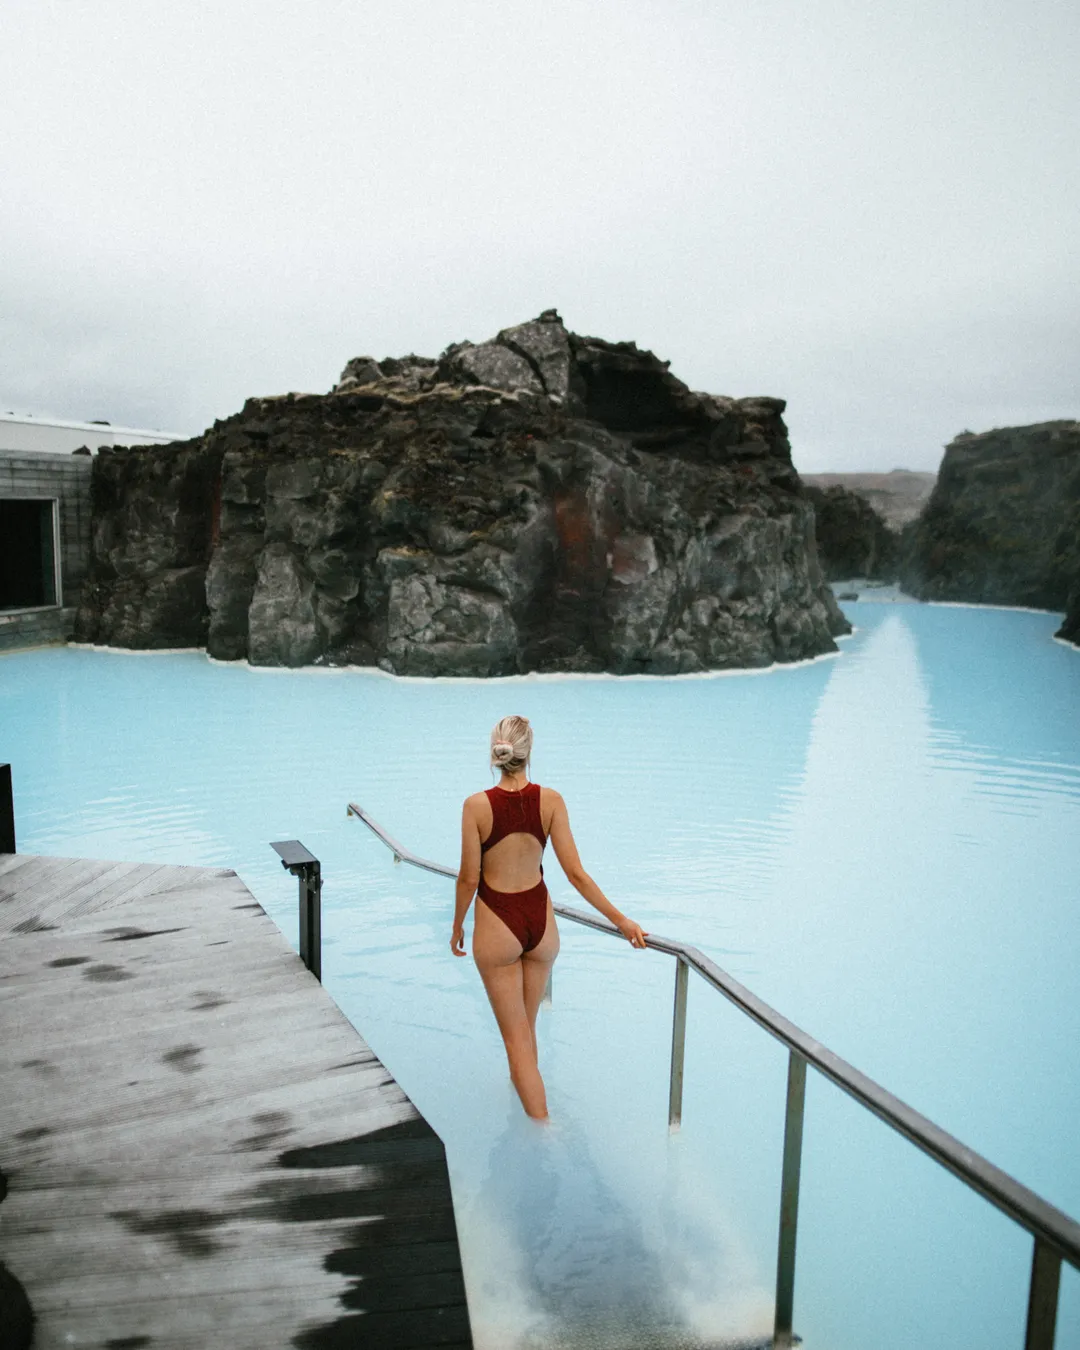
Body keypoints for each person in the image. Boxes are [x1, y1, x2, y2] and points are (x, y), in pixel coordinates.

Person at [452, 714, 648, 1121]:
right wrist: (622, 921)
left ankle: (543, 1132)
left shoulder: (476, 807)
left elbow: (469, 877)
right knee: (527, 1029)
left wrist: (457, 925)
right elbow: (576, 875)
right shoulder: (552, 801)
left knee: (516, 1041)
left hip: (498, 924)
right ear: (528, 753)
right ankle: (524, 1102)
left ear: (495, 753)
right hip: (541, 928)